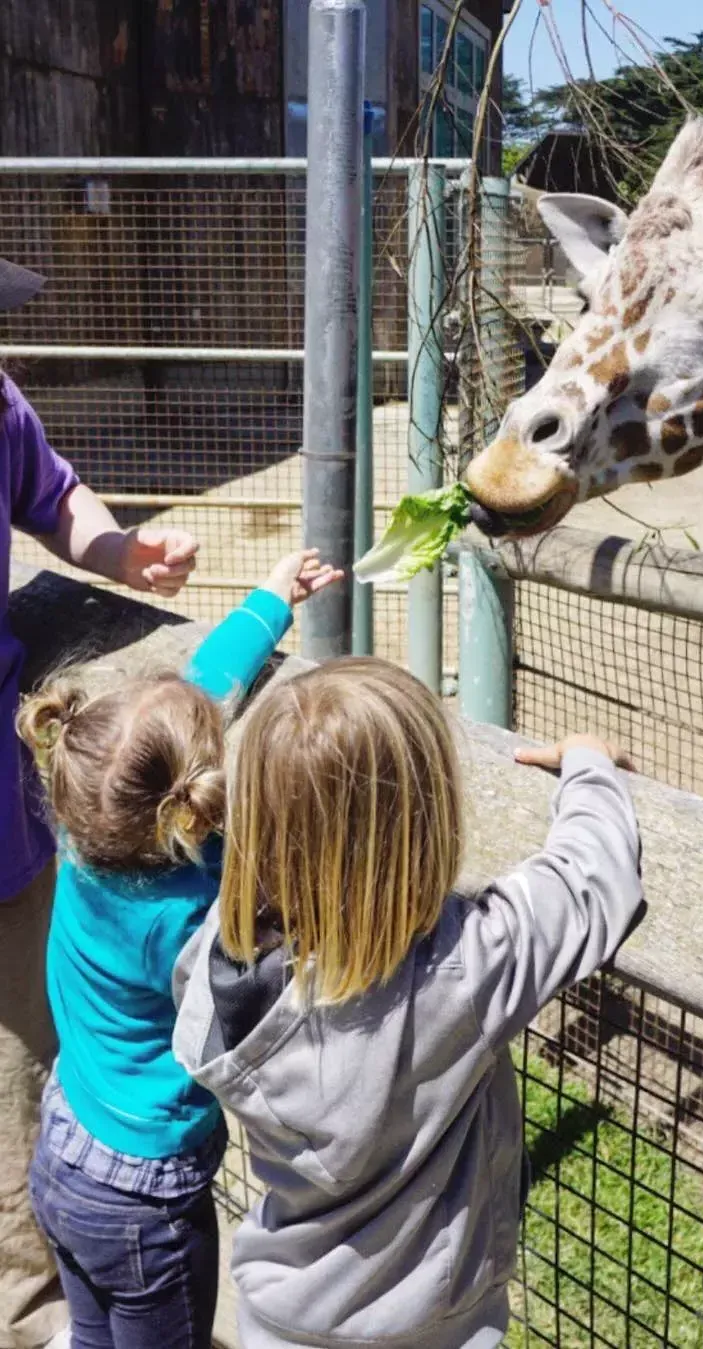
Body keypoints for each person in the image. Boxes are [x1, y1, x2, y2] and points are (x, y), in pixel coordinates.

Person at [172, 657, 645, 1349]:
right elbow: (593, 879)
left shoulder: (218, 957)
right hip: (430, 1327)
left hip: (279, 1316)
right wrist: (589, 763)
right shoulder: (465, 967)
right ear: (423, 822)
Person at [19, 547, 342, 1349]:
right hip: (145, 1195)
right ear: (190, 800)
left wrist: (270, 599)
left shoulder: (81, 826)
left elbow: (205, 683)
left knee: (92, 1337)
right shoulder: (196, 914)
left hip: (63, 1143)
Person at [0, 255, 200, 1349]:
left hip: (3, 834)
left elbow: (54, 491)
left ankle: (37, 1324)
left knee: (23, 1078)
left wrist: (126, 547)